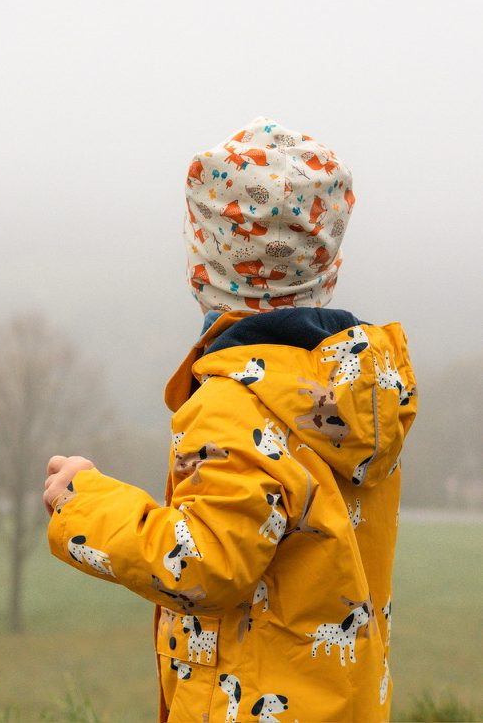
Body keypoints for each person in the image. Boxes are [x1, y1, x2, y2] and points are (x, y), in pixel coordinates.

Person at [43, 116, 418, 723]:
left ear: (203, 264)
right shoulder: (362, 395)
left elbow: (202, 565)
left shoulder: (233, 403)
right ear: (329, 264)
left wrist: (82, 502)